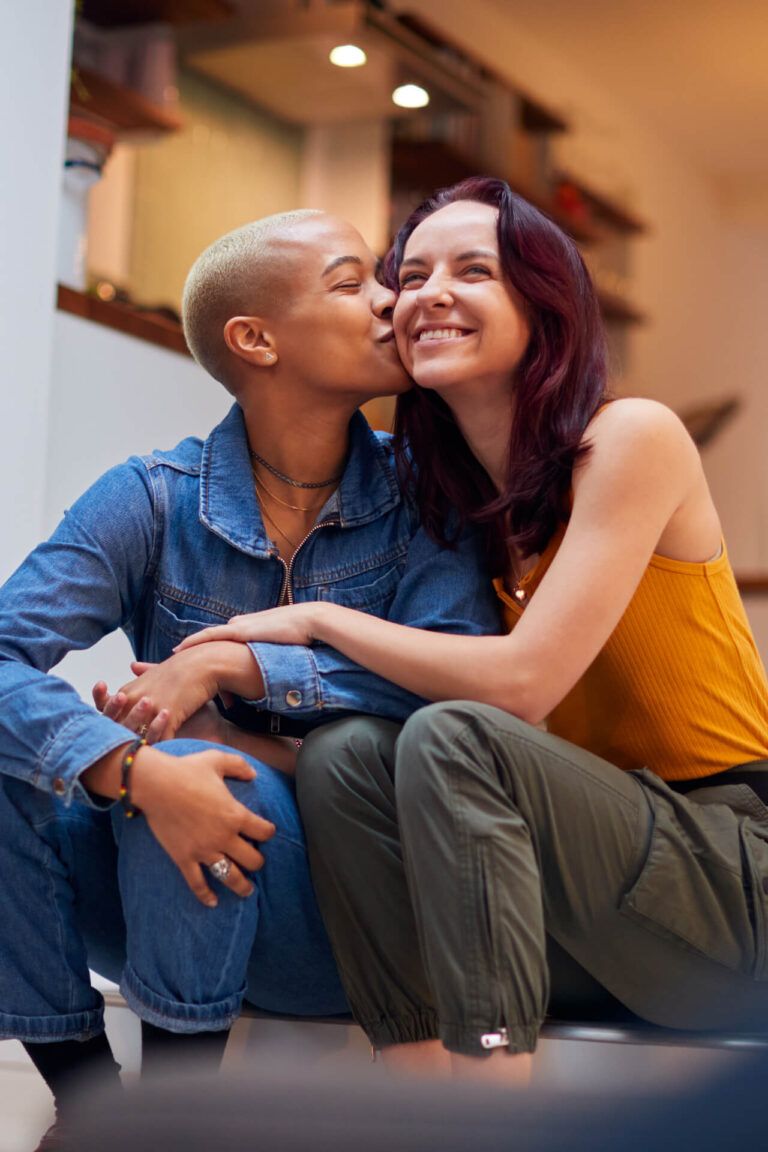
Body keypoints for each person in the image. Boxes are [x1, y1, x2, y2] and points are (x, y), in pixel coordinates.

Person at [177, 177, 768, 1080]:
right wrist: (219, 734)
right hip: (599, 898)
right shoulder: (456, 511)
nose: (429, 294)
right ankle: (424, 1095)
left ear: (545, 305)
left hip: (732, 885)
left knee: (459, 731)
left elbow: (523, 689)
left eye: (473, 270)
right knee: (347, 753)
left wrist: (313, 617)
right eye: (409, 276)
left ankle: (489, 1097)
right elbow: (442, 764)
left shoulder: (631, 439)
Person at [0, 205, 501, 1137]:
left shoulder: (430, 499)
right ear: (255, 339)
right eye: (355, 284)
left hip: (350, 924)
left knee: (198, 773)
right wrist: (125, 765)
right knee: (133, 773)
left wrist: (243, 670)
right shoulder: (153, 497)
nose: (394, 302)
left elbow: (458, 690)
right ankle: (90, 1104)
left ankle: (177, 1116)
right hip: (161, 900)